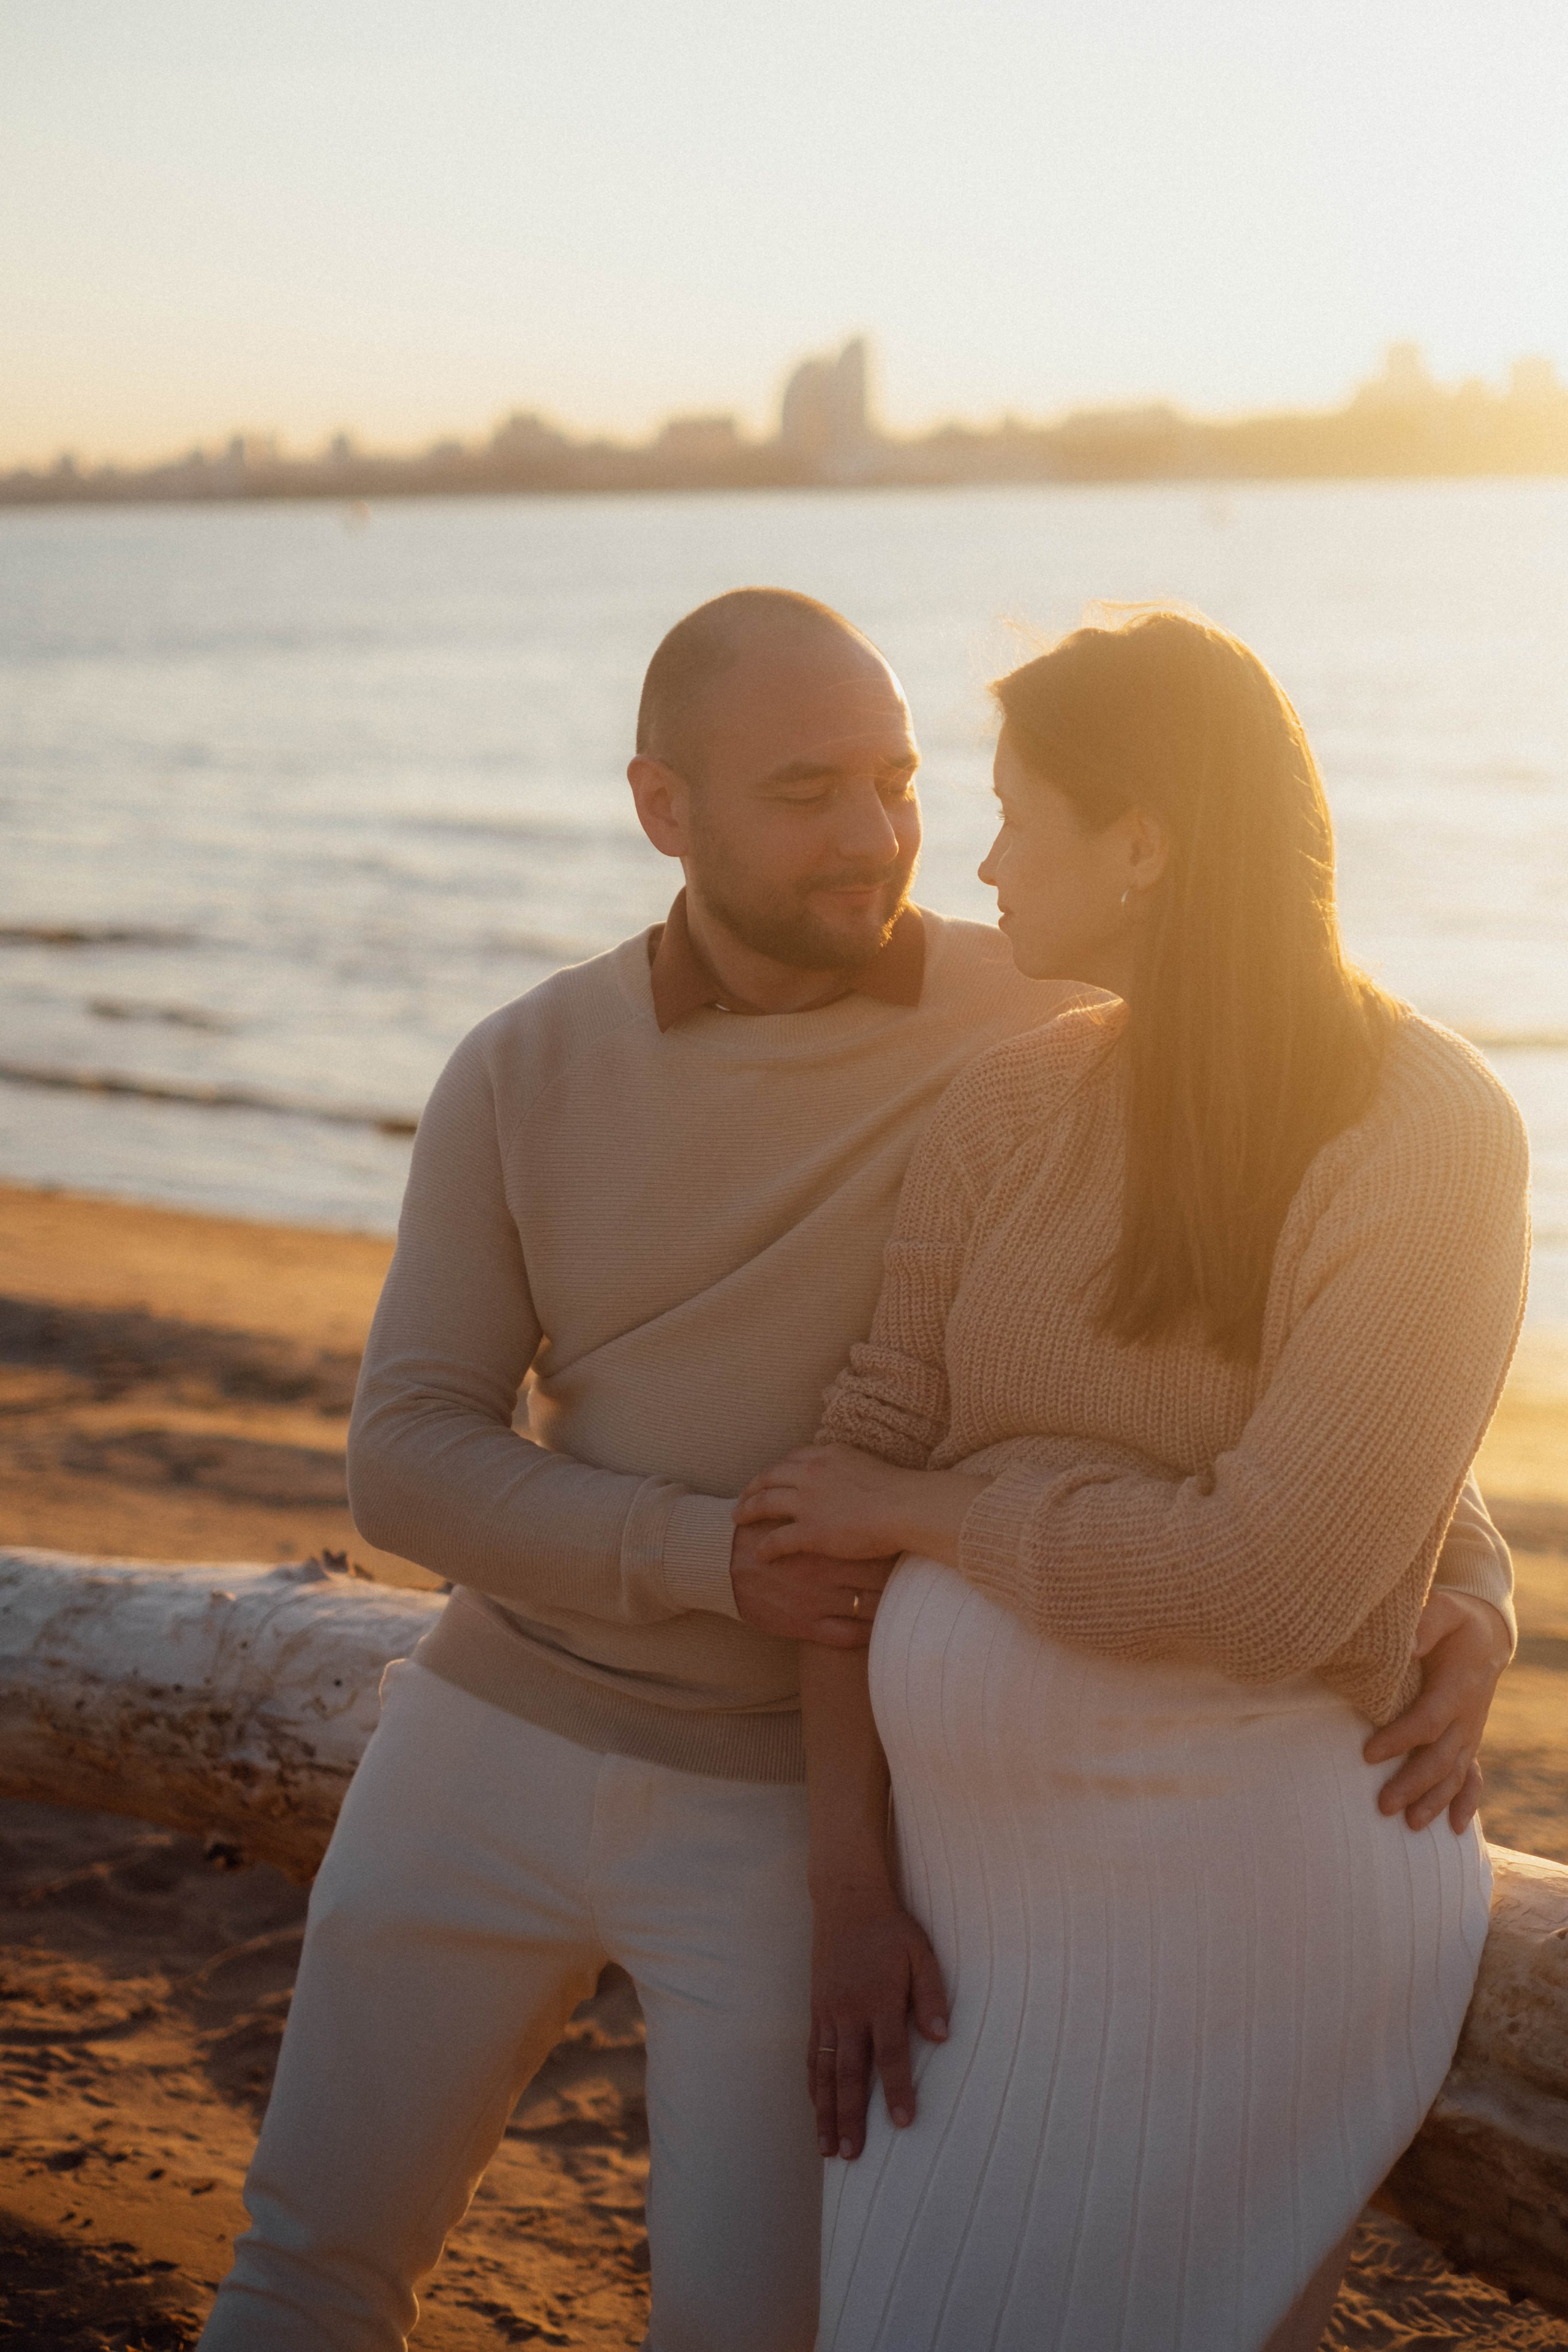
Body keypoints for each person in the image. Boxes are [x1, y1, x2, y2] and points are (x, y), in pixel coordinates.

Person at [200, 594, 1516, 2352]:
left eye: (905, 782)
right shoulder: (525, 1066)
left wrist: (1465, 1573)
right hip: (493, 1724)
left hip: (787, 1807)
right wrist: (706, 1557)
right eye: (811, 791)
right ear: (667, 808)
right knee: (305, 2258)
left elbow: (1314, 1359)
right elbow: (405, 1455)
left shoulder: (1028, 1002)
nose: (892, 841)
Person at [737, 609, 1529, 2352]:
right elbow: (834, 1494)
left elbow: (1265, 1584)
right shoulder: (1011, 1107)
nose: (989, 855)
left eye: (1021, 808)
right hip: (965, 1925)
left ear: (1148, 844)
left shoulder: (1430, 1124)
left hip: (1254, 1911)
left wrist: (936, 1516)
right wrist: (852, 1891)